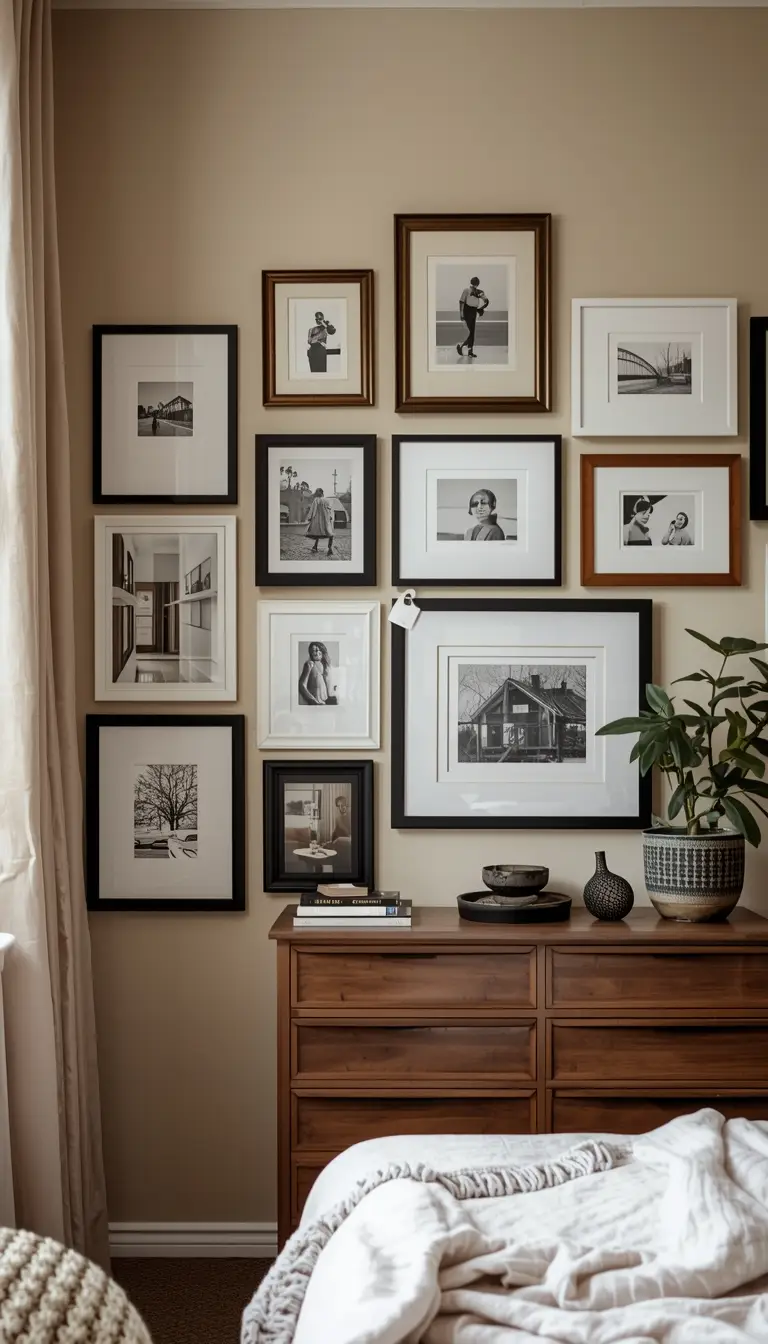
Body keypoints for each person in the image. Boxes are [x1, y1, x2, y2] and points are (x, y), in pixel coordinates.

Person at [456, 276, 489, 359]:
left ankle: (470, 351)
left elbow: (486, 301)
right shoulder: (466, 290)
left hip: (474, 311)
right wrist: (461, 314)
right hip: (467, 311)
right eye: (475, 283)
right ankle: (461, 346)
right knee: (471, 332)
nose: (475, 284)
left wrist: (482, 306)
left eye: (476, 283)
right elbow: (461, 302)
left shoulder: (479, 292)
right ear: (472, 283)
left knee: (472, 332)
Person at [298, 641, 338, 706]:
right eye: (313, 651)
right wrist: (313, 700)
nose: (316, 653)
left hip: (325, 702)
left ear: (322, 651)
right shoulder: (309, 664)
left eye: (318, 650)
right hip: (316, 704)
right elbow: (301, 685)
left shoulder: (325, 666)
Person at [305, 487, 335, 555]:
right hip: (326, 519)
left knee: (317, 533)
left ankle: (315, 547)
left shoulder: (316, 500)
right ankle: (329, 548)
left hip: (318, 519)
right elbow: (330, 510)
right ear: (322, 493)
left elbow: (313, 509)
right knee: (329, 533)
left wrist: (309, 517)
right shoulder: (327, 500)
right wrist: (330, 517)